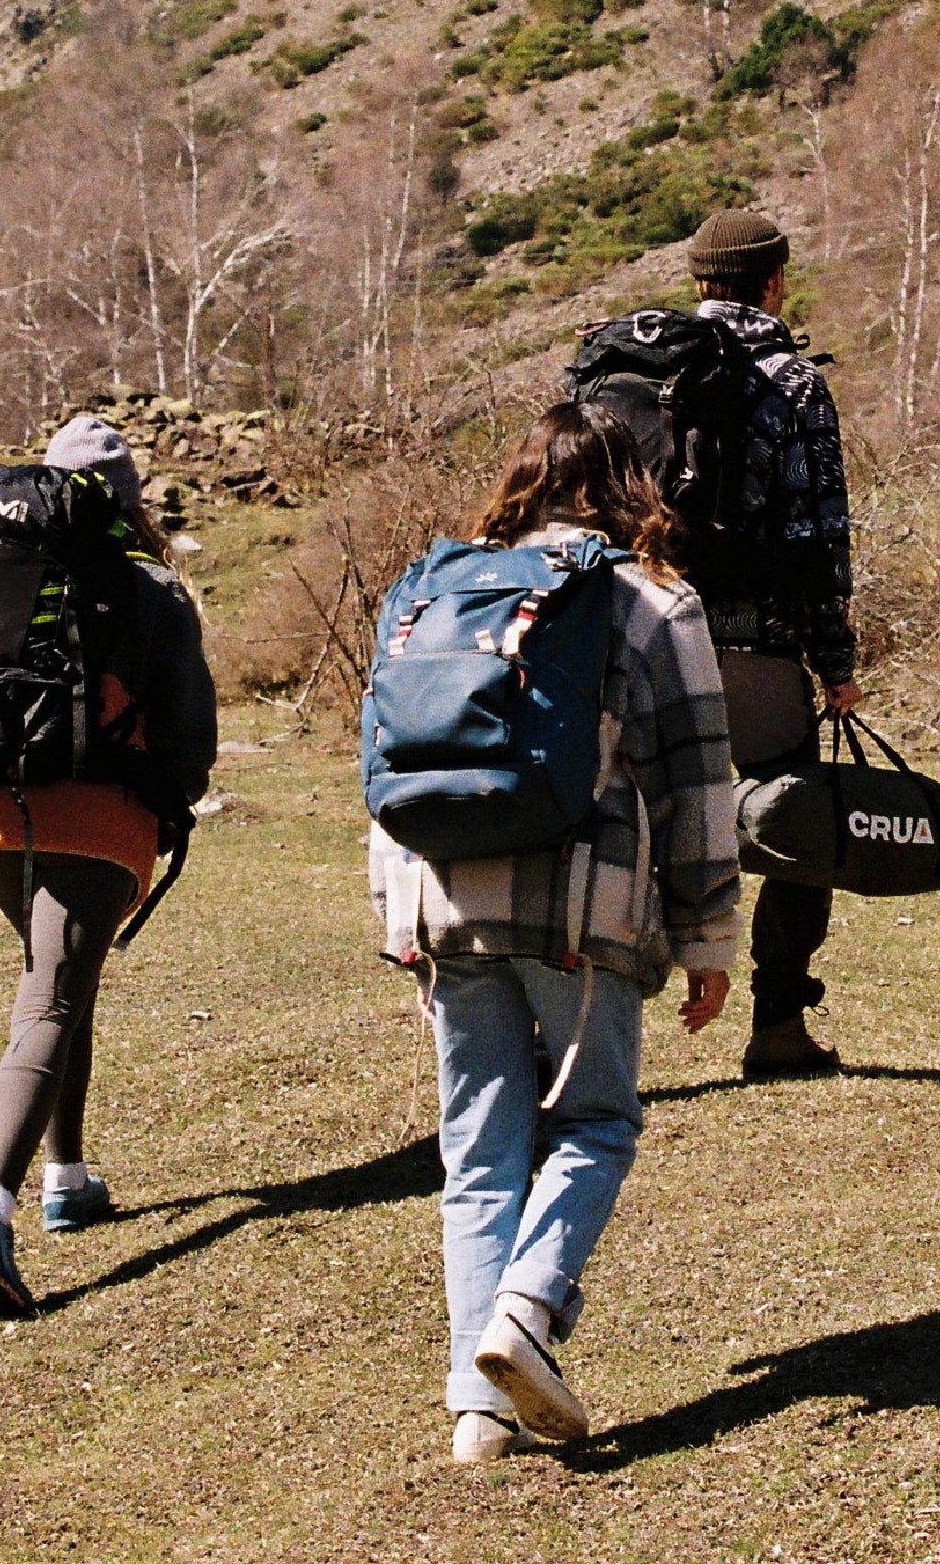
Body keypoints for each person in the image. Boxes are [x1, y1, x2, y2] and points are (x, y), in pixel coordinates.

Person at [369, 401, 739, 1462]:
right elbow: (697, 775)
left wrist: (399, 914)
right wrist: (709, 937)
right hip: (578, 905)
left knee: (478, 1149)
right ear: (634, 484)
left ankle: (476, 1412)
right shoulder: (650, 598)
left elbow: (393, 762)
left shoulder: (437, 588)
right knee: (594, 1121)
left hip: (441, 897)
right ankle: (524, 1316)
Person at [0, 415, 218, 1316]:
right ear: (129, 501)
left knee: (64, 974)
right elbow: (188, 731)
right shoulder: (151, 586)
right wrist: (172, 798)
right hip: (95, 811)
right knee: (54, 992)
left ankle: (67, 1175)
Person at [684, 208, 861, 1079]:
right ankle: (778, 1026)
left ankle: (572, 1031)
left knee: (631, 826)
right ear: (774, 278)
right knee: (797, 826)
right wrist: (835, 660)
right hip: (756, 647)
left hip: (638, 639)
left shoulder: (629, 367)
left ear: (697, 279)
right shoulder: (791, 381)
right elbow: (817, 530)